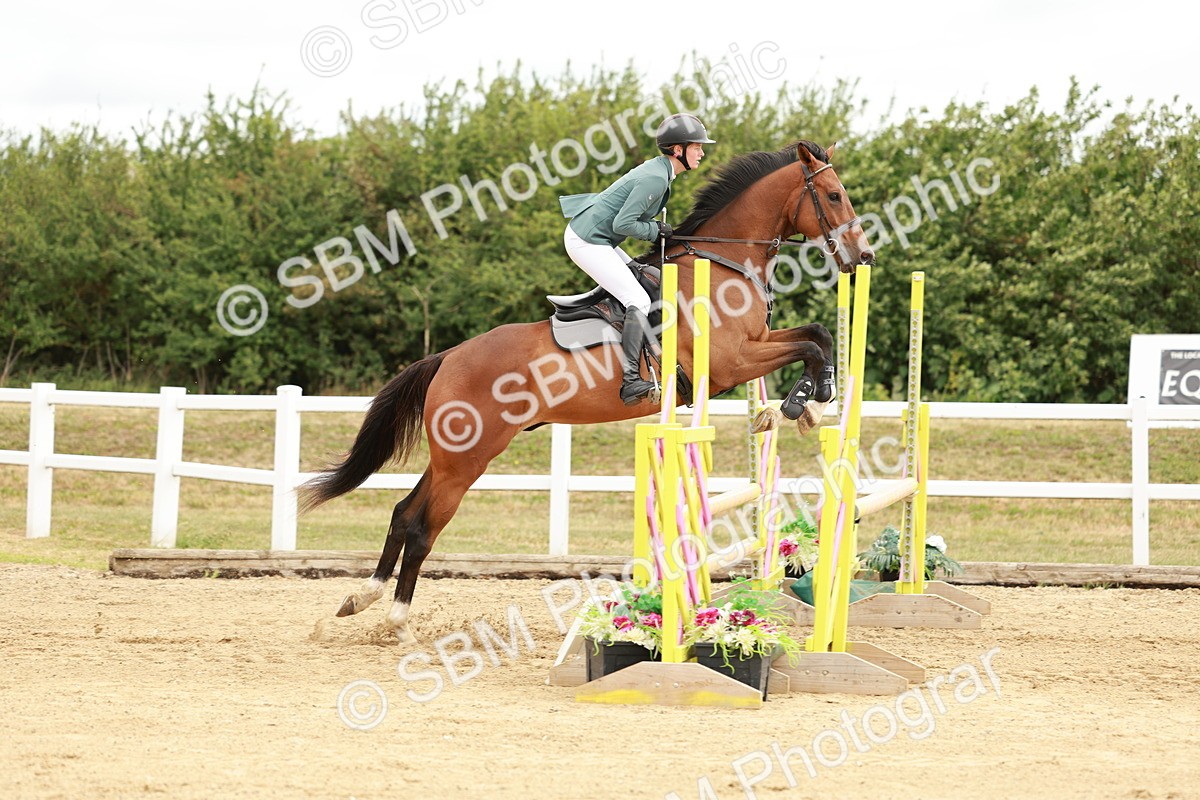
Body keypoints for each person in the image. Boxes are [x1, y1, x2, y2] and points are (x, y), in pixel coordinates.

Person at [559, 113, 716, 405]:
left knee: (644, 278)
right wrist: (655, 230)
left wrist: (656, 229)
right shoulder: (655, 178)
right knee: (639, 300)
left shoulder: (660, 171)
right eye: (697, 146)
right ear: (678, 149)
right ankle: (630, 380)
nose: (702, 152)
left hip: (598, 238)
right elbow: (623, 225)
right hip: (587, 240)